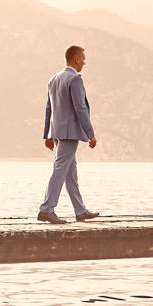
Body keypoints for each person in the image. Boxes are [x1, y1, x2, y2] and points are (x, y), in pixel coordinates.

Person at [39, 45, 101, 223]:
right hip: (69, 132)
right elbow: (80, 108)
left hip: (57, 131)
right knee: (61, 169)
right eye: (82, 58)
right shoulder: (75, 80)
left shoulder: (53, 79)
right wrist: (91, 134)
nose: (84, 62)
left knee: (70, 171)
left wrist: (48, 135)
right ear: (75, 59)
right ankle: (46, 208)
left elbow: (48, 109)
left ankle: (80, 210)